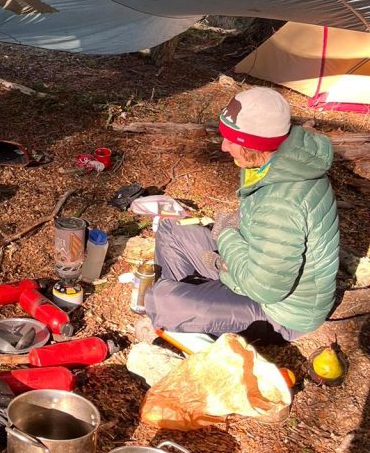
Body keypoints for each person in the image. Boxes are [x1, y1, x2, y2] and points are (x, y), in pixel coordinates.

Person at [144, 86, 339, 342]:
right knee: (172, 229)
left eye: (232, 140)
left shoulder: (282, 204)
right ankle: (190, 311)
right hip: (253, 266)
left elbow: (265, 289)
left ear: (256, 145)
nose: (224, 147)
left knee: (160, 300)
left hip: (281, 312)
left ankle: (181, 313)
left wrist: (226, 235)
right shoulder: (275, 160)